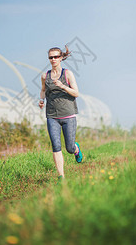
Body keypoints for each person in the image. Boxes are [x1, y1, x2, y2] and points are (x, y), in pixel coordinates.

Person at [39, 46, 83, 180]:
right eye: (50, 57)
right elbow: (43, 90)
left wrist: (63, 86)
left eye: (56, 57)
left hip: (68, 115)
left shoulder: (67, 74)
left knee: (69, 148)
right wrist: (41, 100)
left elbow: (76, 93)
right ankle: (61, 177)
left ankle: (76, 149)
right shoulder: (45, 75)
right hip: (52, 116)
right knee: (56, 146)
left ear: (61, 58)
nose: (53, 59)